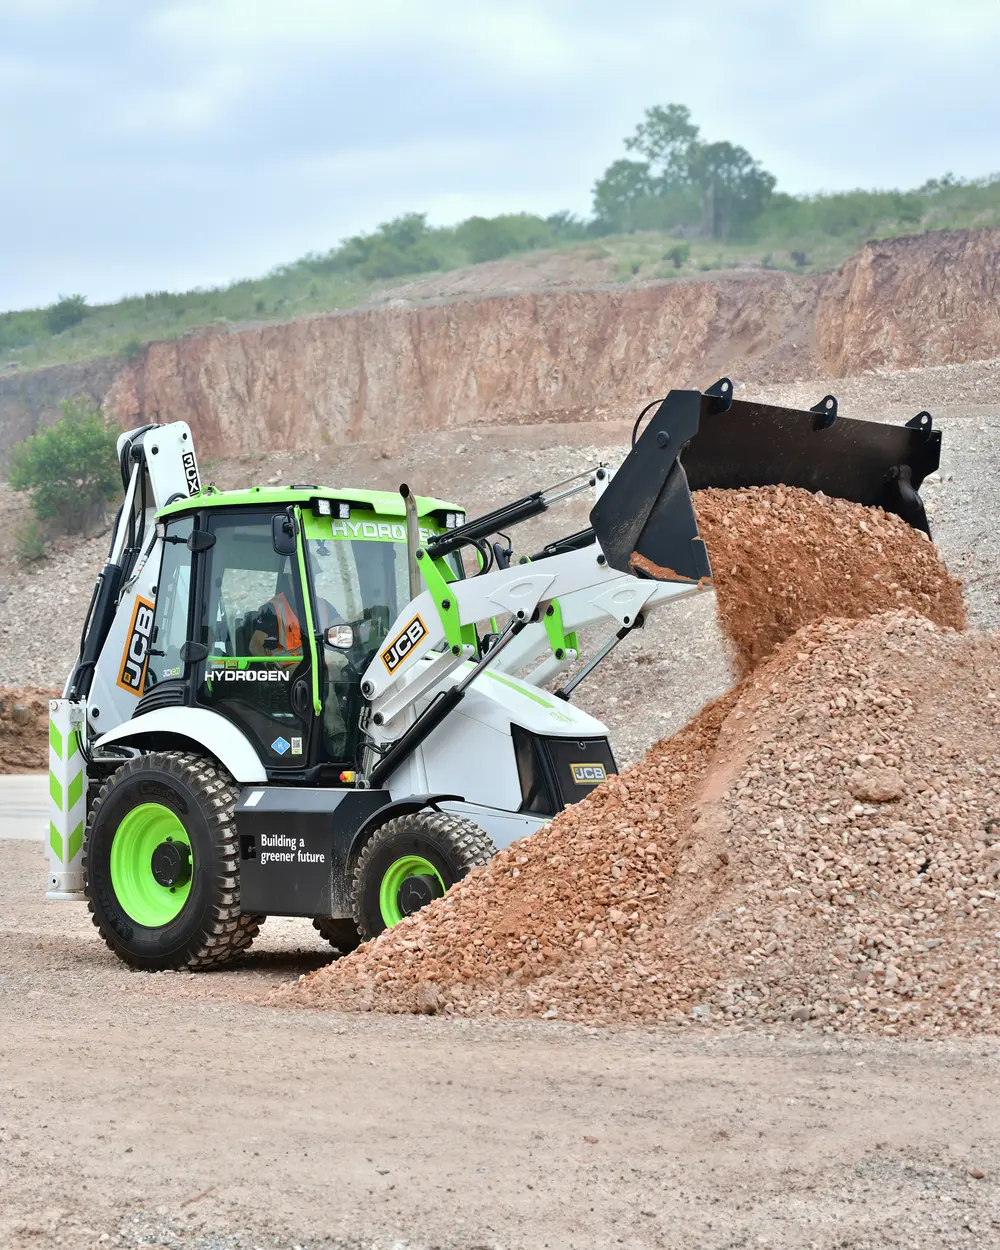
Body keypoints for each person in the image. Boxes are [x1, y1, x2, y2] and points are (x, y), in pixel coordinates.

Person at [248, 573, 352, 757]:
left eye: (314, 574)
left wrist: (362, 627)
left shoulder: (322, 605)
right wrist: (270, 666)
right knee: (322, 673)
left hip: (319, 660)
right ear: (290, 577)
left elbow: (344, 630)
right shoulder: (274, 608)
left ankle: (353, 727)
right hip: (288, 666)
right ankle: (338, 736)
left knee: (348, 672)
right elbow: (255, 644)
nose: (312, 578)